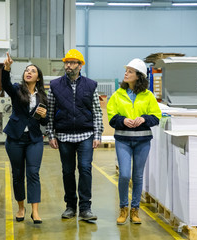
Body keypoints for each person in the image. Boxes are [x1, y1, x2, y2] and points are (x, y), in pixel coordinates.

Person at [46, 49, 104, 221]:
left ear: (80, 66)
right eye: (66, 62)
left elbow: (96, 111)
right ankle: (70, 206)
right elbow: (50, 112)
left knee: (85, 169)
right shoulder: (55, 85)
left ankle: (85, 208)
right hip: (64, 135)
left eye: (72, 63)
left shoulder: (90, 85)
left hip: (85, 134)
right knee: (67, 171)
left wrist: (97, 134)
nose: (68, 66)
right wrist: (50, 134)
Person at [107, 58, 161, 225]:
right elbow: (111, 117)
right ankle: (123, 207)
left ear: (139, 76)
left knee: (137, 176)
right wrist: (123, 120)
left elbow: (156, 117)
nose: (126, 73)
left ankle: (135, 210)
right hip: (123, 140)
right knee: (124, 175)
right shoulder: (117, 95)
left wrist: (143, 119)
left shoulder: (148, 96)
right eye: (126, 71)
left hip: (142, 141)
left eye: (130, 71)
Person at [2, 52, 48, 224]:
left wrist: (44, 115)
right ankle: (21, 208)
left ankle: (35, 211)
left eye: (33, 71)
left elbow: (46, 119)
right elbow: (5, 83)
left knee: (33, 173)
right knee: (18, 174)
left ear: (38, 77)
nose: (28, 72)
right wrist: (6, 69)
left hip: (34, 139)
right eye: (26, 70)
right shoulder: (16, 90)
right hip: (15, 138)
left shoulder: (42, 96)